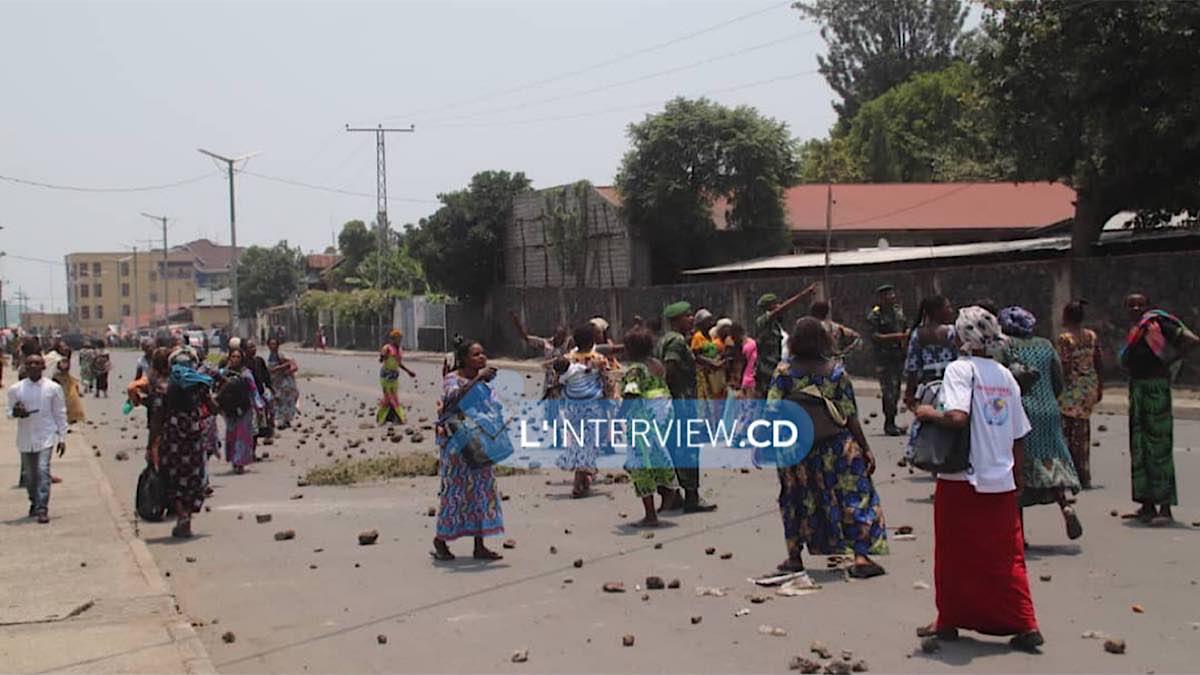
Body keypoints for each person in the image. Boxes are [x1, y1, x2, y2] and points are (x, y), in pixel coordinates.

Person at [913, 306, 1043, 652]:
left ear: (962, 337)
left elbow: (957, 416)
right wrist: (1017, 479)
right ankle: (1025, 622)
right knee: (1006, 556)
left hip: (963, 478)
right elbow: (1019, 435)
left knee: (953, 554)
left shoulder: (960, 369)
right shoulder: (1005, 375)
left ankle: (949, 618)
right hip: (1000, 479)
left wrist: (927, 413)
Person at [767, 317, 888, 577]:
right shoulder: (835, 372)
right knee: (855, 497)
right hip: (836, 446)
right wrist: (865, 447)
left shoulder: (784, 372)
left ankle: (794, 557)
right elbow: (849, 414)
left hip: (796, 449)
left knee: (795, 499)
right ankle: (861, 557)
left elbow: (772, 410)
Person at [999, 306, 1083, 541]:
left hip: (1021, 412)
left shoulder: (1005, 346)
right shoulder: (1045, 345)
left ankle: (1019, 535)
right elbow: (1058, 380)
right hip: (1049, 409)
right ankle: (1065, 505)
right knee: (1052, 461)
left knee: (1018, 473)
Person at [1120, 293, 1199, 525]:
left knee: (1159, 448)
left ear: (1148, 306)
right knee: (1140, 448)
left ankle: (1165, 508)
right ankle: (1146, 505)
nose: (1135, 307)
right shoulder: (1137, 330)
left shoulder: (1158, 323)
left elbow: (1192, 340)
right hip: (1138, 389)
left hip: (1156, 389)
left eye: (1139, 304)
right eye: (1131, 304)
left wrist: (1170, 358)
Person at [431, 337, 505, 561]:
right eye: (476, 354)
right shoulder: (453, 379)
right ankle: (441, 540)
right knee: (456, 493)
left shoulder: (484, 383)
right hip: (457, 445)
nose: (482, 357)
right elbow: (453, 400)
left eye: (483, 353)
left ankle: (479, 545)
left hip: (480, 442)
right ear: (463, 359)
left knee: (482, 492)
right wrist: (478, 380)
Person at [655, 301, 716, 513]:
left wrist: (709, 363)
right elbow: (670, 368)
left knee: (671, 448)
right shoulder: (676, 341)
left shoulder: (667, 340)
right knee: (687, 450)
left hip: (671, 404)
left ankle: (673, 495)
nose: (691, 318)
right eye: (687, 316)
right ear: (676, 320)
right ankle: (692, 498)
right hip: (681, 402)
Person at [618, 327, 678, 526]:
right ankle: (669, 488)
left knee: (639, 465)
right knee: (657, 455)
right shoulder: (657, 365)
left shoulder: (636, 369)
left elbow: (631, 395)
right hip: (663, 417)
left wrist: (617, 418)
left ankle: (651, 514)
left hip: (642, 419)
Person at [156, 349, 216, 538]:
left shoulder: (164, 387)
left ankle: (181, 514)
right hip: (194, 434)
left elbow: (157, 418)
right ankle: (187, 516)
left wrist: (152, 444)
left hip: (172, 436)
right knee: (193, 477)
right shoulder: (200, 385)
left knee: (171, 475)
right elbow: (213, 407)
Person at [8, 353, 67, 523]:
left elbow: (60, 413)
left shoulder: (53, 388)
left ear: (43, 367)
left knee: (43, 470)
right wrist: (16, 412)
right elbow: (8, 413)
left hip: (46, 435)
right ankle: (34, 502)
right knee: (30, 475)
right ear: (25, 367)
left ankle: (42, 507)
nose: (33, 366)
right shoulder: (16, 389)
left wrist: (62, 437)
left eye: (37, 363)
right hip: (25, 438)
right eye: (30, 363)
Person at [556, 324, 612, 498]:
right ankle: (579, 480)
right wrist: (609, 401)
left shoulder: (567, 358)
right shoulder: (598, 358)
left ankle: (585, 478)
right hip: (593, 405)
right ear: (593, 340)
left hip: (572, 407)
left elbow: (558, 381)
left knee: (579, 440)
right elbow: (606, 380)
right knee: (591, 441)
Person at [1056, 300, 1103, 489]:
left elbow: (1065, 366)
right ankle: (1084, 474)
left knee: (1066, 433)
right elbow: (1098, 360)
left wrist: (1057, 387)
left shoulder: (1065, 339)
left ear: (1066, 316)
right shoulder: (1091, 336)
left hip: (1071, 389)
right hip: (1088, 386)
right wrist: (1100, 385)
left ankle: (1069, 475)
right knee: (1083, 433)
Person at [754, 285, 818, 398]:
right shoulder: (763, 321)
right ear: (769, 307)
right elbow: (784, 308)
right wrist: (803, 294)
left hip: (776, 364)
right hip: (766, 368)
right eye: (775, 304)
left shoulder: (776, 326)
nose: (778, 306)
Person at [866, 284, 908, 436]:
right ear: (881, 298)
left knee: (896, 391)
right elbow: (875, 336)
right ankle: (889, 423)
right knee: (888, 392)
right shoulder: (875, 315)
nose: (892, 297)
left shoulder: (898, 312)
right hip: (883, 359)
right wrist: (897, 337)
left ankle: (893, 420)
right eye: (888, 295)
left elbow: (905, 327)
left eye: (892, 294)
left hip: (898, 357)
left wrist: (905, 338)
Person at [218, 347, 262, 474]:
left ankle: (240, 462)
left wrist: (258, 406)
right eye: (233, 356)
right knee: (231, 435)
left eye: (238, 357)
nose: (235, 359)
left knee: (243, 436)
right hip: (230, 410)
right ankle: (234, 460)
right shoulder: (224, 373)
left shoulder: (246, 373)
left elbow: (253, 390)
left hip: (245, 409)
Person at [509, 311, 569, 404]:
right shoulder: (546, 343)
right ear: (555, 334)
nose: (560, 338)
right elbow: (526, 338)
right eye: (558, 334)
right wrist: (517, 323)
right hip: (548, 378)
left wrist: (550, 362)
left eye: (562, 336)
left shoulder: (566, 346)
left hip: (562, 379)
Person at [690, 309, 726, 425]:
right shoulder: (698, 337)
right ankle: (703, 426)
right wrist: (712, 363)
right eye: (707, 321)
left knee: (714, 399)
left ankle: (713, 424)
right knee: (704, 399)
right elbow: (697, 356)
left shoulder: (710, 336)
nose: (710, 323)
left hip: (713, 373)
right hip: (702, 373)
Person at [377, 329, 416, 425]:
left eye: (400, 338)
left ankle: (393, 418)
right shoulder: (387, 348)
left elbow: (399, 363)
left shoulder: (399, 350)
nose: (398, 340)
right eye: (396, 338)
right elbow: (381, 360)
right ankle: (385, 418)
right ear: (392, 339)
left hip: (394, 377)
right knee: (389, 397)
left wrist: (408, 371)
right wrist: (383, 356)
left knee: (393, 397)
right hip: (386, 376)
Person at [244, 340, 275, 443]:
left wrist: (270, 388)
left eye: (254, 347)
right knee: (251, 424)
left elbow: (266, 376)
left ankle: (267, 434)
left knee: (264, 416)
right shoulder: (243, 363)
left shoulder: (259, 361)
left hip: (259, 395)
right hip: (247, 397)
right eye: (250, 347)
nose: (253, 349)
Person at [267, 337, 300, 430]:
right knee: (277, 401)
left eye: (274, 344)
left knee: (284, 401)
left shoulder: (280, 355)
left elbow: (292, 363)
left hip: (284, 383)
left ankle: (284, 421)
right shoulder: (271, 355)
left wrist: (278, 369)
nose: (273, 346)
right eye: (271, 344)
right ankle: (283, 420)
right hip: (275, 382)